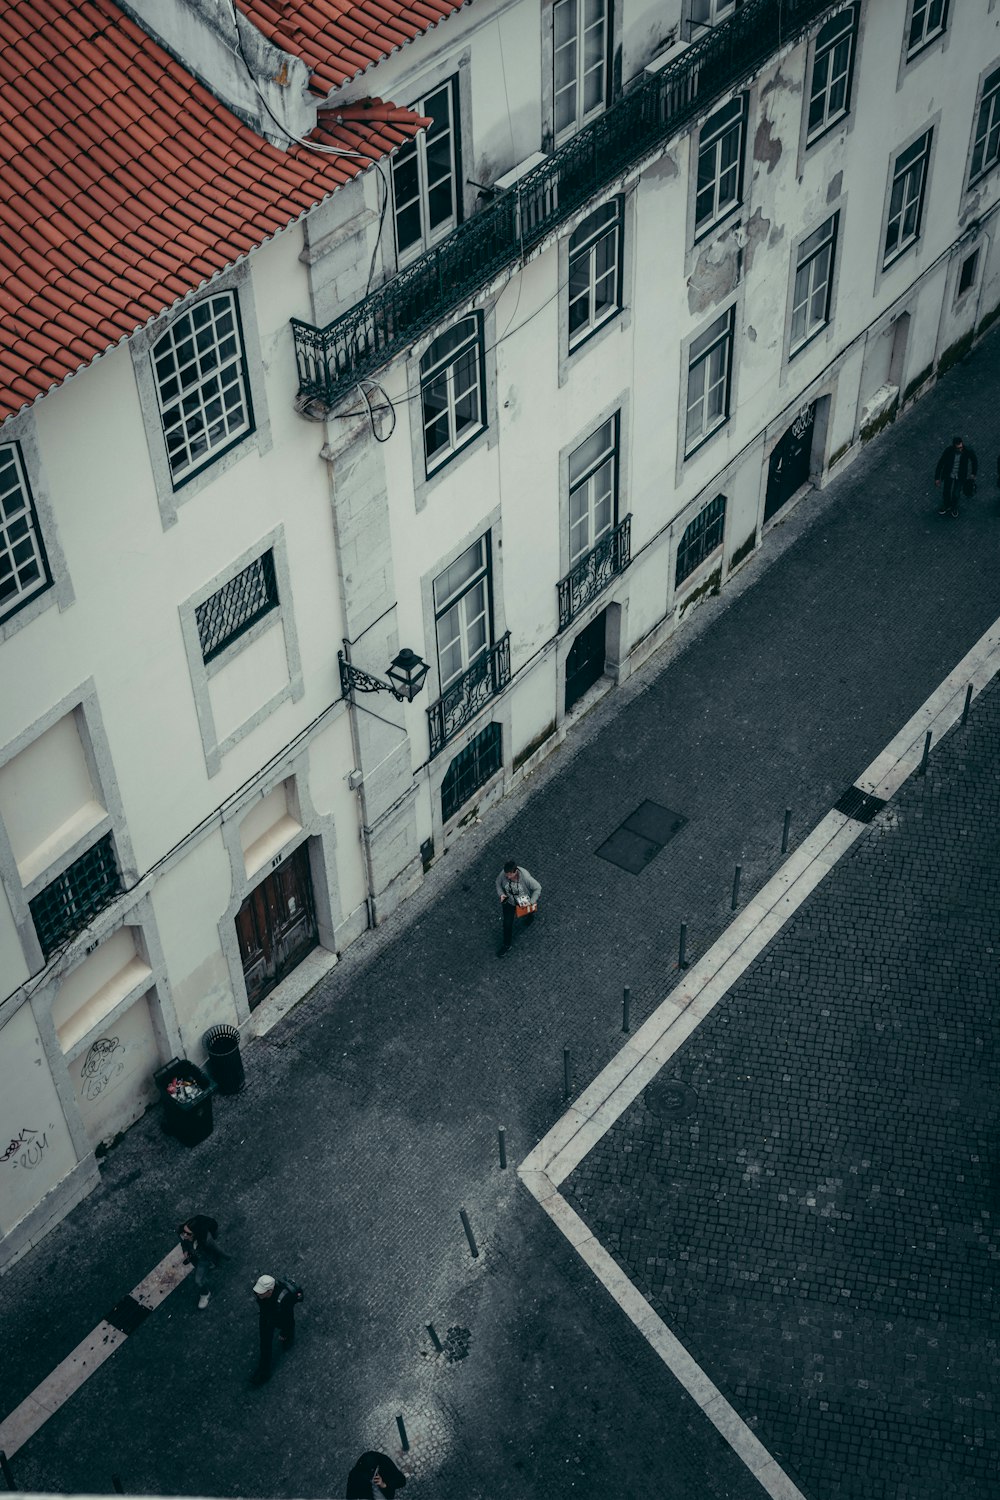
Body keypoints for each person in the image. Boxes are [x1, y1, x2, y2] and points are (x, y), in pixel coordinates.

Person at [251, 1273, 301, 1383]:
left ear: (269, 1291)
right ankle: (264, 1372)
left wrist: (284, 1333)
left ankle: (288, 1338)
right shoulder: (264, 1295)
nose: (257, 1294)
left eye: (260, 1293)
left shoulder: (284, 1299)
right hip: (268, 1316)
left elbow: (288, 1320)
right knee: (265, 1343)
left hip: (278, 1318)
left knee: (285, 1330)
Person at [178, 1214, 229, 1310]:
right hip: (195, 1258)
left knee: (199, 1280)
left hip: (203, 1259)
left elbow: (216, 1249)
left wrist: (226, 1257)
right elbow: (183, 1243)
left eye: (188, 1234)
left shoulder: (206, 1240)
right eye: (184, 1232)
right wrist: (185, 1250)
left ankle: (205, 1293)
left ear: (196, 1233)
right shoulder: (183, 1236)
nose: (184, 1235)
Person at [495, 858, 541, 957]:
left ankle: (530, 915)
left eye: (509, 875)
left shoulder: (526, 878)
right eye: (506, 874)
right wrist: (501, 895)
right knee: (507, 923)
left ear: (515, 871)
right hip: (508, 901)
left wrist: (531, 902)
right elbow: (498, 883)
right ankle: (507, 945)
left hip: (522, 899)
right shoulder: (503, 873)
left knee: (527, 910)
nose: (507, 876)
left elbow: (538, 888)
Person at [934, 434, 978, 517]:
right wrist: (937, 478)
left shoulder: (967, 451)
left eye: (961, 447)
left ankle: (954, 507)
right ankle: (947, 505)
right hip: (949, 474)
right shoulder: (948, 451)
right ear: (954, 447)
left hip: (960, 475)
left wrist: (973, 473)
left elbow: (974, 460)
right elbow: (941, 463)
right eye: (958, 448)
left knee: (956, 493)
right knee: (946, 491)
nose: (960, 449)